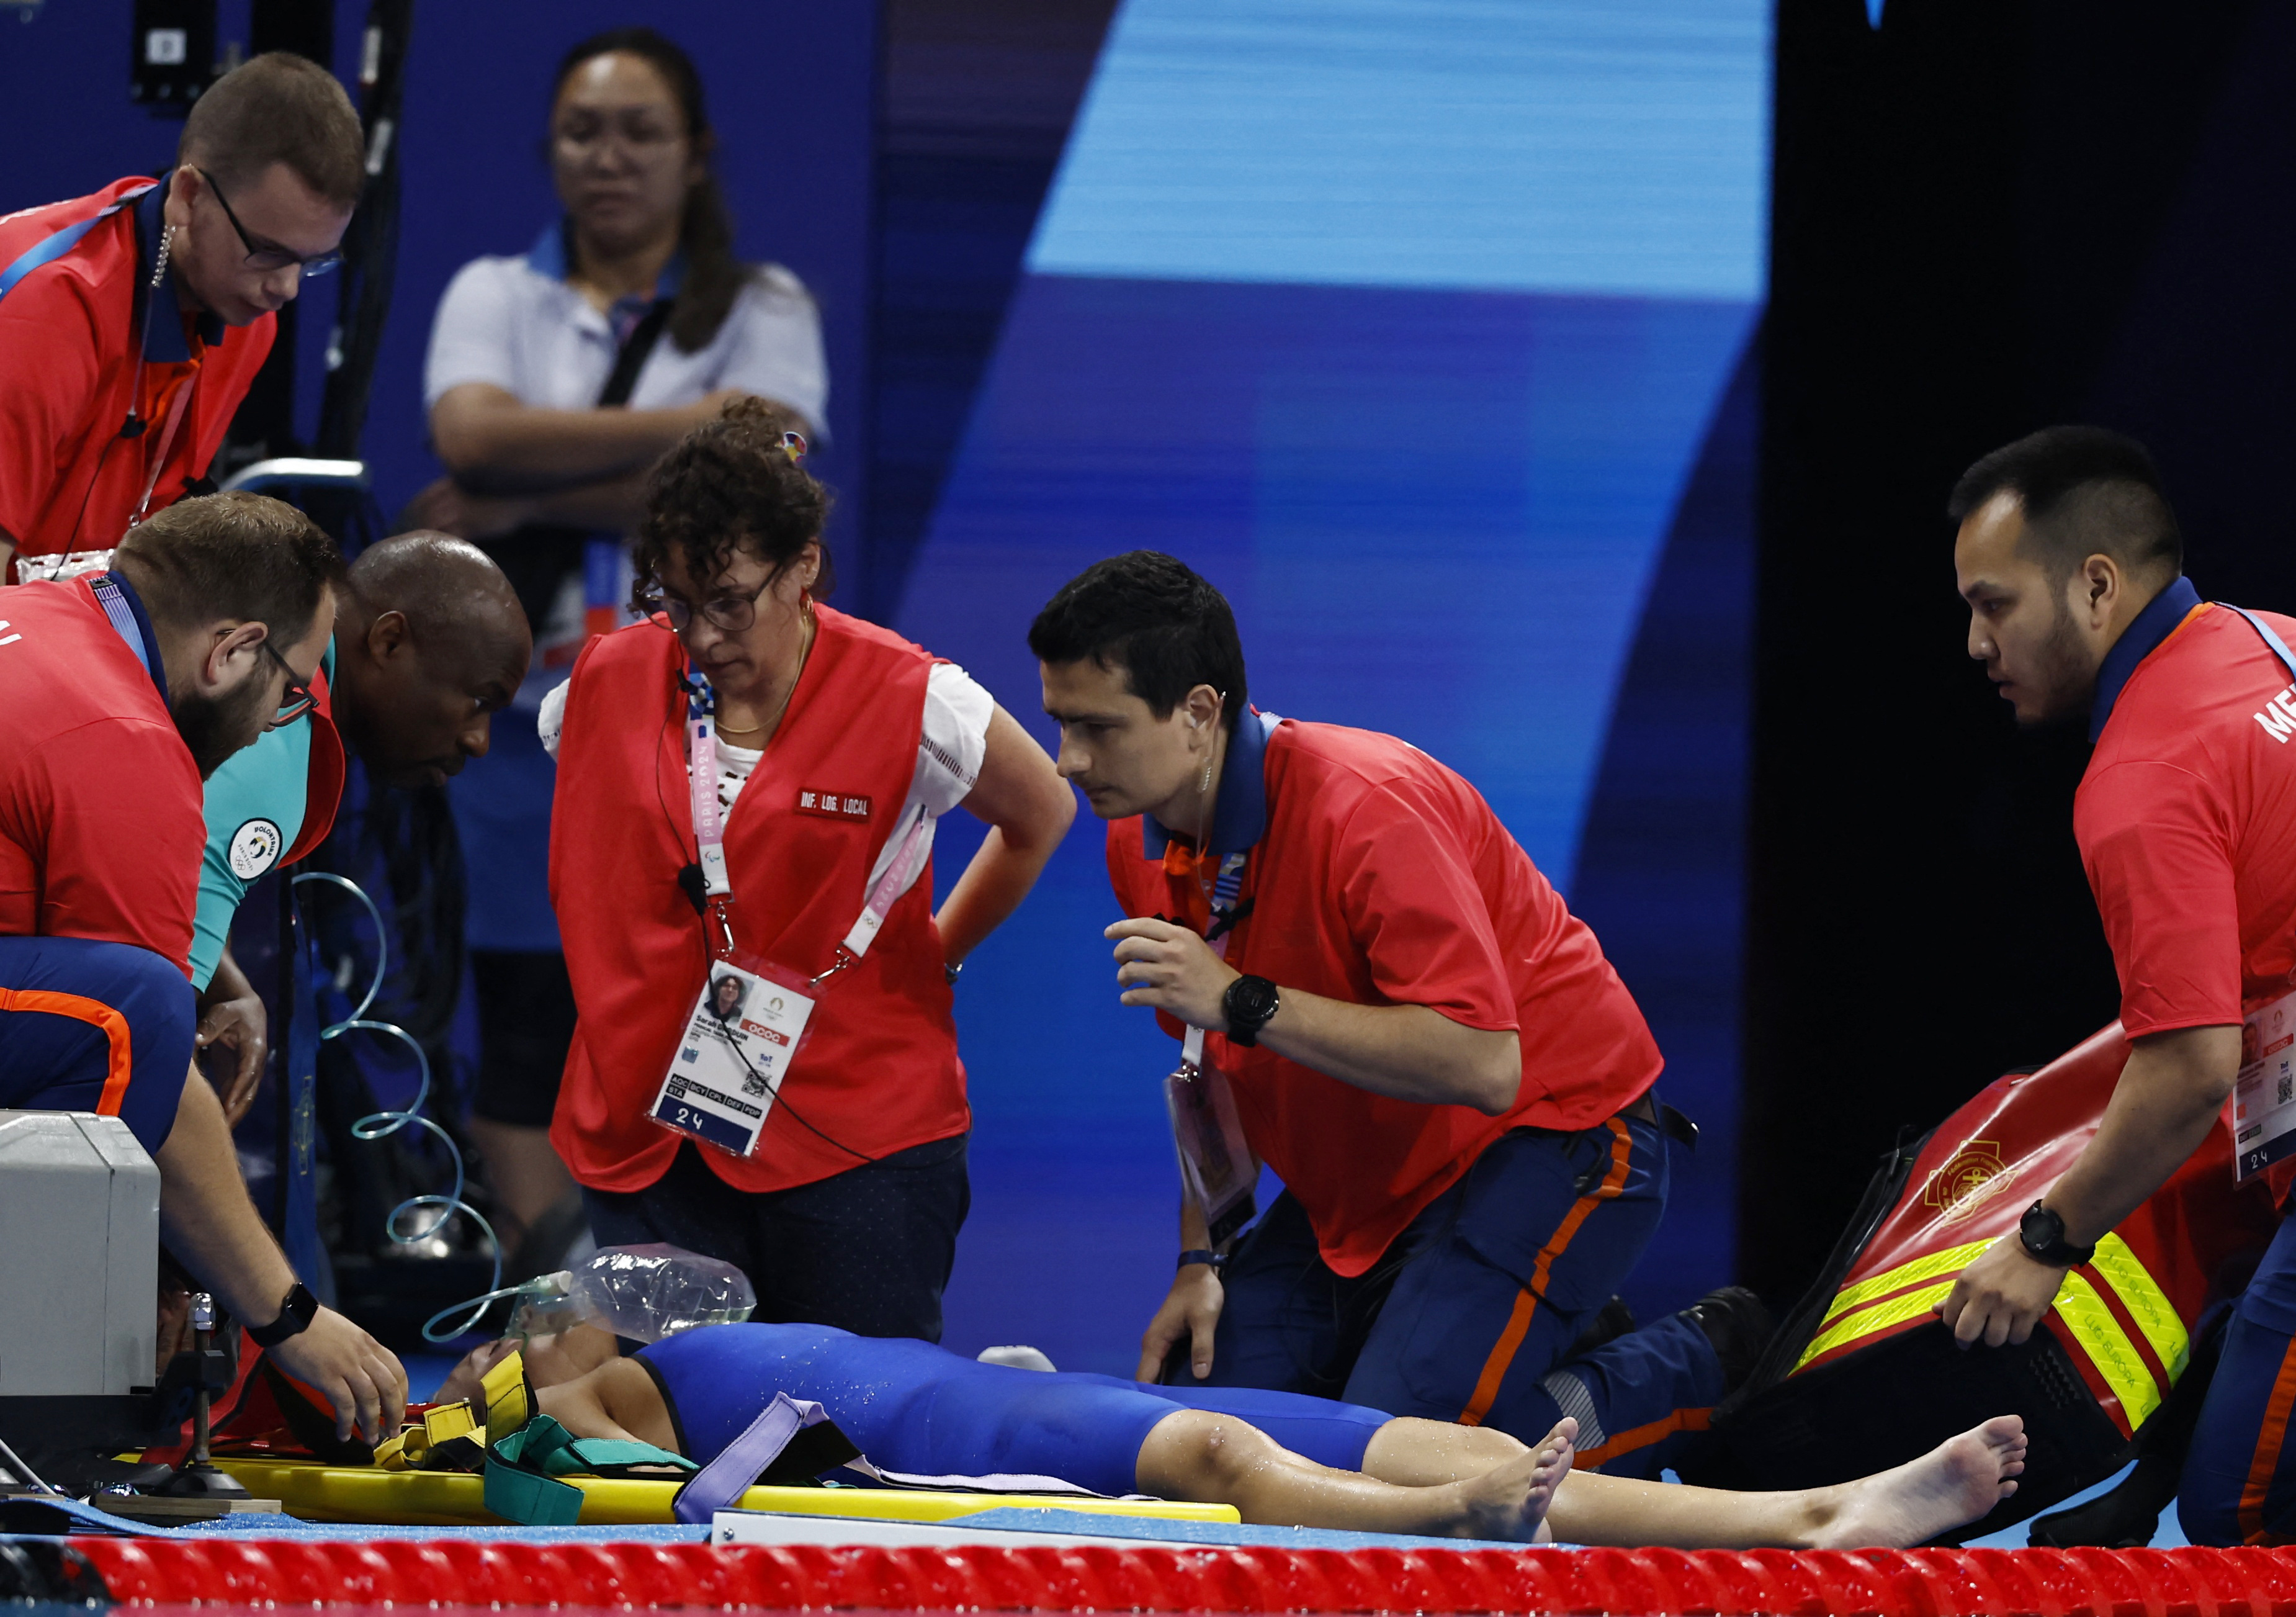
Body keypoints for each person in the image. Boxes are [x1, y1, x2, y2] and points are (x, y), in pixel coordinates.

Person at [1028, 552, 1764, 1477]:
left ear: (1200, 712)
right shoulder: (1138, 840)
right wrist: (1200, 1259)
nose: (1067, 762)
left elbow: (1482, 1062)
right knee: (1203, 1444)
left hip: (1560, 1135)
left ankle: (1694, 1365)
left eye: (1097, 728)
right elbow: (1208, 1072)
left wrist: (1239, 997)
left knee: (1390, 1465)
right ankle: (1497, 1332)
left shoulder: (1366, 806)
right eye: (1059, 724)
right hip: (1381, 1180)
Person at [1939, 425, 2296, 1545]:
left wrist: (2041, 1245)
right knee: (2272, 1343)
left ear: (2095, 586)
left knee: (2247, 1510)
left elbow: (2190, 1069)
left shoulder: (2142, 773)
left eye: (1994, 603)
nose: (1974, 642)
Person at [410, 28, 830, 1264]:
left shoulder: (766, 306)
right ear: (551, 151)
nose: (610, 157)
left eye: (641, 132)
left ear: (695, 155)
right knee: (531, 1008)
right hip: (522, 734)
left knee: (714, 988)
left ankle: (705, 1266)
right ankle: (562, 1275)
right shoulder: (497, 291)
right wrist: (695, 438)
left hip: (718, 726)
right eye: (585, 132)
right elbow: (467, 433)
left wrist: (525, 488)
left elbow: (768, 477)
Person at [543, 399, 1074, 1339]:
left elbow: (1041, 815)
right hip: (647, 1134)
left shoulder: (918, 700)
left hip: (860, 1137)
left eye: (730, 601)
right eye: (676, 600)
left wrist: (937, 949)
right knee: (664, 1434)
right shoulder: (596, 686)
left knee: (850, 1438)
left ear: (802, 570)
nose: (702, 635)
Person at [0, 492, 406, 1441]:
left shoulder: (36, 612)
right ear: (230, 653)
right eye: (294, 688)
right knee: (135, 1011)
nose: (282, 717)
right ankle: (36, 1422)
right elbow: (142, 1066)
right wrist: (287, 1315)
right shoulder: (126, 741)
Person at [432, 1323, 2029, 1549]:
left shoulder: (664, 1350)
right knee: (1216, 1460)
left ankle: (1818, 1505)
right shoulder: (598, 1402)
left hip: (989, 1380)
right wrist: (467, 1403)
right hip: (980, 1426)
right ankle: (1442, 1531)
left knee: (1430, 1427)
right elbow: (539, 1458)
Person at [182, 533, 531, 1127]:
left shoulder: (261, 651)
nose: (480, 740)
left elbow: (167, 899)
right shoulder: (272, 740)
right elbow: (145, 1016)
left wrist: (222, 979)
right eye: (477, 700)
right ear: (389, 640)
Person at [0, 53, 361, 584]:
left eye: (311, 262)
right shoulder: (45, 312)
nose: (284, 289)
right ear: (188, 198)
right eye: (267, 251)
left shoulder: (245, 321)